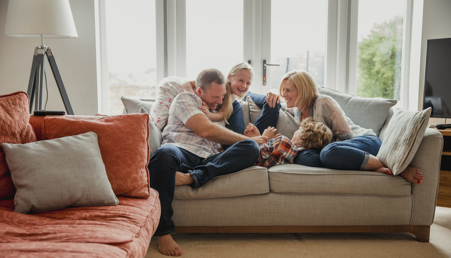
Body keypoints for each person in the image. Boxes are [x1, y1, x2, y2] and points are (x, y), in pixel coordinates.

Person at [148, 68, 268, 257]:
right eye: (215, 97)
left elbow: (227, 138)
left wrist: (250, 140)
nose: (219, 102)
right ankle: (163, 233)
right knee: (164, 154)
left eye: (222, 98)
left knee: (250, 149)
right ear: (199, 92)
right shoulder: (184, 100)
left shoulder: (220, 110)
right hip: (181, 150)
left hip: (208, 158)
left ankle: (191, 178)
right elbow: (206, 131)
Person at [268, 69, 423, 183]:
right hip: (336, 152)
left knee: (328, 153)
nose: (284, 94)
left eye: (288, 90)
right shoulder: (295, 111)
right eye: (283, 90)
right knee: (303, 158)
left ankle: (394, 166)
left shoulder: (323, 102)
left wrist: (319, 146)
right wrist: (272, 92)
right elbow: (265, 100)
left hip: (362, 141)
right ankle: (369, 167)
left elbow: (345, 135)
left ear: (302, 91)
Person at [150, 63, 281, 138]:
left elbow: (222, 114)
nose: (244, 86)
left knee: (272, 103)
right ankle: (255, 140)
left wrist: (210, 115)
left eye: (248, 83)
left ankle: (256, 137)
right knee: (236, 106)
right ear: (229, 77)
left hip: (233, 118)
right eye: (241, 80)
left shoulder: (233, 100)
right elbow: (186, 84)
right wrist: (197, 101)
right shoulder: (218, 84)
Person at [244, 117, 332, 168]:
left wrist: (262, 137)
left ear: (303, 136)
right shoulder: (295, 152)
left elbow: (254, 155)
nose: (296, 131)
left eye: (299, 129)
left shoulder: (284, 142)